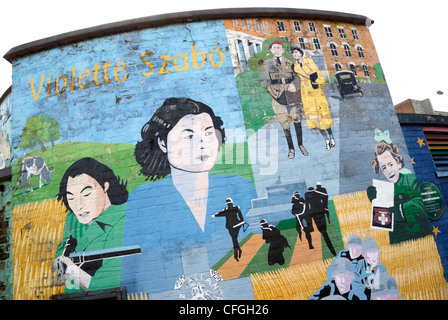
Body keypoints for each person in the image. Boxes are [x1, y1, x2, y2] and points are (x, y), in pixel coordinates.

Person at [120, 97, 257, 296]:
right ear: (162, 142)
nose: (203, 143)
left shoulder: (239, 187)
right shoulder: (144, 199)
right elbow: (133, 273)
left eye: (209, 133)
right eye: (189, 136)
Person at [53, 157, 129, 292]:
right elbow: (61, 254)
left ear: (105, 186)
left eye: (86, 194)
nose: (78, 206)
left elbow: (108, 284)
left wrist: (71, 269)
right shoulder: (73, 219)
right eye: (71, 198)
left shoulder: (123, 219)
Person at [367, 139, 432, 244]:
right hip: (399, 241)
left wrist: (396, 211)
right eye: (384, 167)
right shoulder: (384, 190)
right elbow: (383, 221)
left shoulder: (411, 180)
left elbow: (420, 202)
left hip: (420, 236)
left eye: (390, 164)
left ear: (398, 163)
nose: (388, 170)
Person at [262, 40, 308, 159]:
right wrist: (284, 87)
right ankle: (291, 148)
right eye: (274, 48)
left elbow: (297, 77)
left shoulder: (290, 63)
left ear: (282, 50)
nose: (277, 50)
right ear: (271, 50)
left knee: (297, 120)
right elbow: (266, 82)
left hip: (292, 97)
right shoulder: (267, 64)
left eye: (279, 47)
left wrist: (295, 86)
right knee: (285, 123)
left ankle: (301, 145)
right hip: (278, 98)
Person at [290, 45, 335, 151]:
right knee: (314, 118)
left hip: (316, 91)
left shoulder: (309, 62)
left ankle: (331, 137)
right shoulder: (294, 66)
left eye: (296, 52)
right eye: (293, 53)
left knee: (323, 116)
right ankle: (326, 140)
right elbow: (296, 80)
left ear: (301, 53)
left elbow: (319, 74)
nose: (295, 54)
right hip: (306, 93)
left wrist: (316, 83)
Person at [304, 184, 336, 256]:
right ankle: (332, 251)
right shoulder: (317, 193)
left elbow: (307, 206)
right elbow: (325, 196)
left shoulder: (306, 195)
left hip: (314, 214)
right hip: (321, 212)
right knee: (324, 232)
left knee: (322, 231)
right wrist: (325, 207)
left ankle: (332, 251)